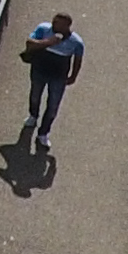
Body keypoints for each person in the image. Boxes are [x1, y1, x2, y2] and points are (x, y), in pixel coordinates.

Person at [18, 13, 86, 151]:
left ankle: (43, 133)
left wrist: (73, 76)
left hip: (58, 77)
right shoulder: (43, 29)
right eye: (55, 22)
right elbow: (30, 43)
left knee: (53, 105)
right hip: (39, 71)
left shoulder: (76, 42)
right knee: (35, 95)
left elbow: (77, 60)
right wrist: (48, 42)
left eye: (60, 24)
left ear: (68, 26)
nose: (55, 25)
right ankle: (33, 115)